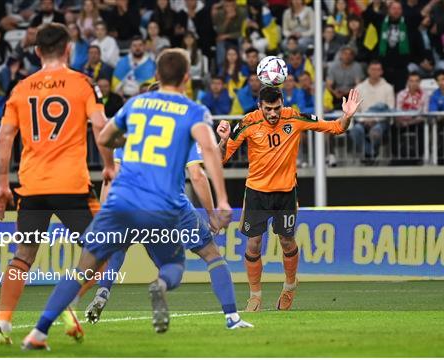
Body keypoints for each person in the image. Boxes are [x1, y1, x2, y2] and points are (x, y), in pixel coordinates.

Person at [21, 49, 248, 350]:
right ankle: (228, 316)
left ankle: (38, 332)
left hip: (121, 202)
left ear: (157, 75)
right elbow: (200, 170)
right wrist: (218, 206)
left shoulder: (135, 105)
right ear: (184, 78)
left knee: (82, 269)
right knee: (205, 256)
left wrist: (117, 155)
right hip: (165, 205)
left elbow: (103, 138)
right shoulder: (193, 112)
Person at [83, 83, 252, 330]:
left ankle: (103, 292)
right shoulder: (180, 123)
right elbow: (197, 174)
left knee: (117, 248)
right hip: (171, 205)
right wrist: (212, 213)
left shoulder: (129, 131)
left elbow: (113, 175)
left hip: (131, 203)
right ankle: (231, 317)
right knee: (208, 256)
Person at [0, 23, 115, 346]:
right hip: (71, 186)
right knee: (102, 252)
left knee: (23, 255)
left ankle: (2, 324)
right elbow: (101, 126)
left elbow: (5, 138)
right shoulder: (83, 84)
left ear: (36, 51)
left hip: (31, 186)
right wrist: (110, 166)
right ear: (68, 49)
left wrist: (2, 185)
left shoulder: (21, 88)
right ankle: (67, 307)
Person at [217, 86, 361, 311]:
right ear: (259, 107)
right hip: (256, 192)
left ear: (282, 103)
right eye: (268, 109)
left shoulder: (294, 117)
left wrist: (347, 116)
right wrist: (224, 141)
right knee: (253, 244)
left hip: (285, 192)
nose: (273, 114)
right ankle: (255, 296)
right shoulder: (247, 123)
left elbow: (336, 128)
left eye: (276, 108)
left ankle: (289, 287)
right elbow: (220, 159)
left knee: (286, 241)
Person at [351, 60, 395, 160]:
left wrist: (375, 120)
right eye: (373, 69)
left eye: (378, 70)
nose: (375, 72)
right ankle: (369, 153)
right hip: (362, 121)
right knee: (355, 130)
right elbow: (355, 109)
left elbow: (390, 108)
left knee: (376, 131)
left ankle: (370, 154)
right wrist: (364, 120)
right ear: (368, 71)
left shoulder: (388, 88)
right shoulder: (359, 88)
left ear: (381, 72)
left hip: (381, 121)